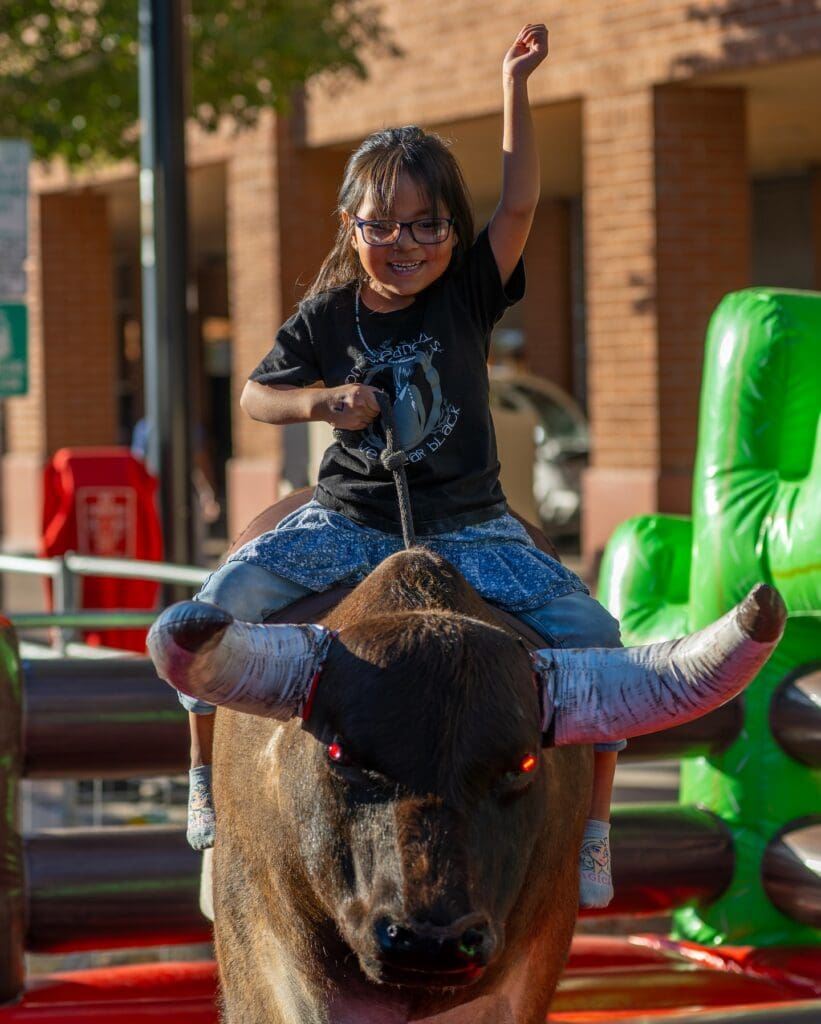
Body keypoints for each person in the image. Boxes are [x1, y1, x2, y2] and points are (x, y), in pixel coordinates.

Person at [179, 23, 621, 908]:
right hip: (347, 522)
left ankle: (595, 829)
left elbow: (522, 203)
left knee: (599, 642)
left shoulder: (466, 292)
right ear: (352, 226)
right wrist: (320, 402)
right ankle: (200, 783)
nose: (406, 242)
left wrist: (514, 88)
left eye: (427, 225)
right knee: (209, 617)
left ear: (452, 231)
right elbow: (256, 397)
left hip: (473, 525)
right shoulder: (328, 312)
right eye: (383, 225)